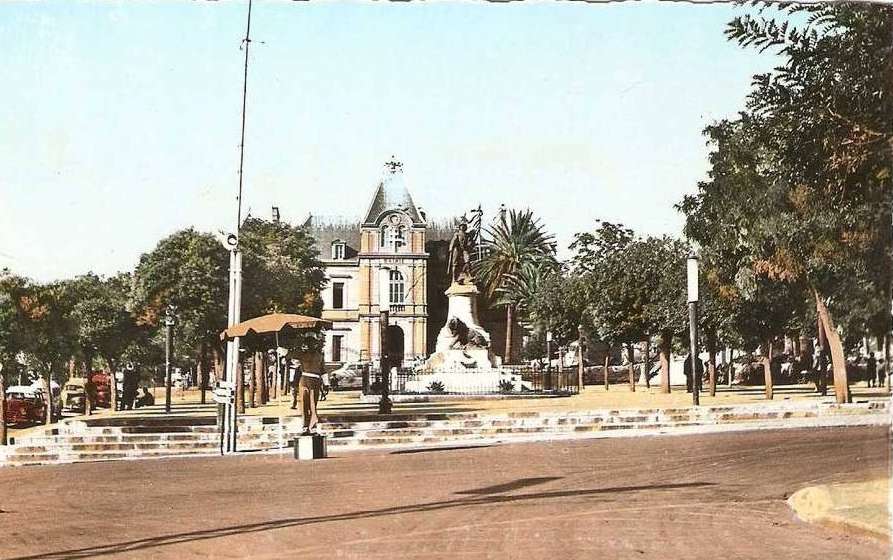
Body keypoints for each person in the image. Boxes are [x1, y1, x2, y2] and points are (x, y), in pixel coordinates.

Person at [298, 354, 331, 435]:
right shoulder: (319, 355)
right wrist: (326, 384)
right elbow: (323, 370)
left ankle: (308, 425)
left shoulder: (304, 354)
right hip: (311, 380)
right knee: (310, 404)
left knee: (307, 404)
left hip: (307, 380)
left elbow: (323, 370)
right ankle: (309, 425)